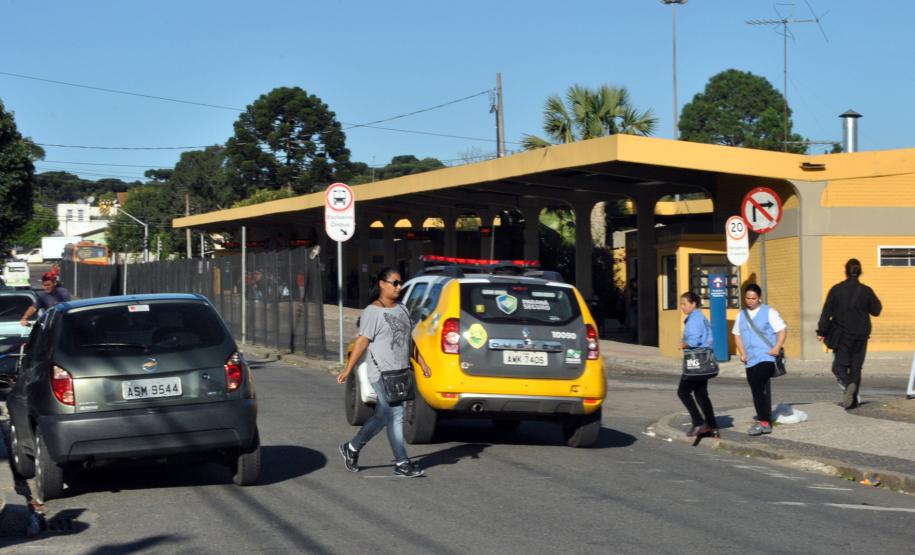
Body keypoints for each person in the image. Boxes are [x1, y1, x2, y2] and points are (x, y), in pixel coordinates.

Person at [336, 268, 431, 477]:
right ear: (382, 284)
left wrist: (422, 364)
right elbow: (362, 342)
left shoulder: (402, 310)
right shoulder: (373, 311)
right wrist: (347, 369)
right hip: (380, 372)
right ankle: (402, 462)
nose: (399, 287)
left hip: (400, 372)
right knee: (396, 414)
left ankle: (351, 448)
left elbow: (409, 340)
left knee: (381, 416)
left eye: (400, 283)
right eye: (394, 283)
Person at [816, 258, 882, 409]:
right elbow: (876, 310)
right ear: (860, 272)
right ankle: (853, 401)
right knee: (856, 367)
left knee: (838, 367)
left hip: (843, 334)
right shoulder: (866, 291)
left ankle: (848, 385)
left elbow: (826, 313)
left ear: (845, 271)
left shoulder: (836, 290)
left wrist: (822, 331)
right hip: (862, 334)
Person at [732, 284, 787, 436]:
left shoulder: (769, 312)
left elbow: (782, 330)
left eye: (754, 298)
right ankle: (765, 420)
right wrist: (742, 353)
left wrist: (777, 347)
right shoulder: (741, 315)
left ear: (759, 298)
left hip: (766, 357)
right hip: (750, 359)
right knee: (756, 390)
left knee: (757, 385)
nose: (750, 301)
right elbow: (736, 334)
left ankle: (763, 422)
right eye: (748, 298)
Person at [676, 292, 718, 438]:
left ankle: (698, 421)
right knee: (701, 394)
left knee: (683, 392)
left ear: (693, 304)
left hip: (696, 360)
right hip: (704, 360)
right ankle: (712, 427)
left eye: (685, 304)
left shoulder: (694, 319)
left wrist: (684, 344)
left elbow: (694, 340)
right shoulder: (701, 317)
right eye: (681, 304)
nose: (682, 307)